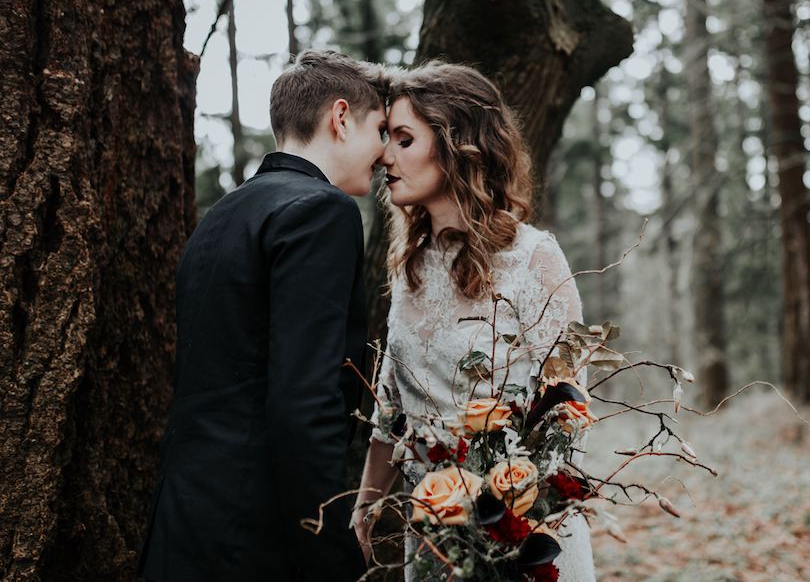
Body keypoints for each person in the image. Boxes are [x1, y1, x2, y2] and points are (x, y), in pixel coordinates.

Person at [139, 50, 387, 581]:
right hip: (257, 537)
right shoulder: (323, 212)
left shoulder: (222, 216)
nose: (384, 152)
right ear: (341, 119)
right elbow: (305, 402)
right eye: (381, 130)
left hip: (181, 524)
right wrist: (329, 549)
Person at [353, 62, 596, 581]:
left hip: (523, 534)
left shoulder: (537, 259)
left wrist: (515, 507)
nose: (385, 156)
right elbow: (390, 401)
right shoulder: (409, 266)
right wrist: (367, 502)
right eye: (384, 138)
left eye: (403, 138)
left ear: (456, 142)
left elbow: (570, 406)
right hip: (435, 529)